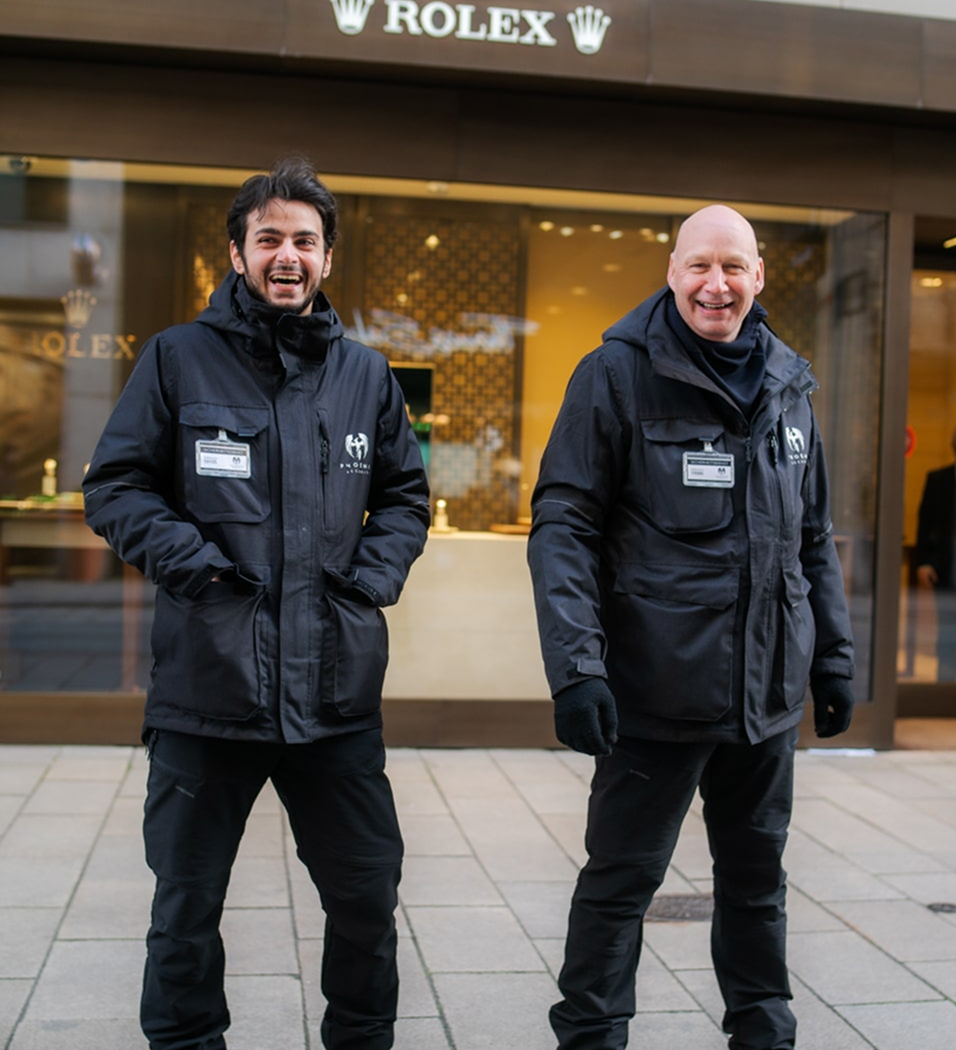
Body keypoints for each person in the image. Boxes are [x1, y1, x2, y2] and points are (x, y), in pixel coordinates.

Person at [82, 157, 430, 1050]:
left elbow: (404, 498)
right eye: (269, 238)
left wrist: (368, 583)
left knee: (365, 897)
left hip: (335, 697)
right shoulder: (176, 358)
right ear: (236, 254)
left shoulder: (365, 376)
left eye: (304, 241)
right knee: (187, 907)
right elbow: (116, 486)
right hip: (209, 692)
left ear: (326, 259)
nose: (287, 255)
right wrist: (193, 566)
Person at [527, 204, 854, 1050]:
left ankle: (763, 1034)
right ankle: (592, 1037)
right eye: (700, 266)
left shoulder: (789, 385)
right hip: (654, 697)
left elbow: (813, 538)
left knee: (757, 885)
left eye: (734, 267)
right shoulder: (616, 376)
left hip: (765, 703)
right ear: (672, 272)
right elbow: (564, 524)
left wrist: (835, 659)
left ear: (758, 276)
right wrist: (578, 668)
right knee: (620, 885)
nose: (717, 285)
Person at [915, 425, 956, 681]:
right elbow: (925, 524)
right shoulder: (939, 480)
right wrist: (923, 562)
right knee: (948, 629)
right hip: (947, 565)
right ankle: (947, 683)